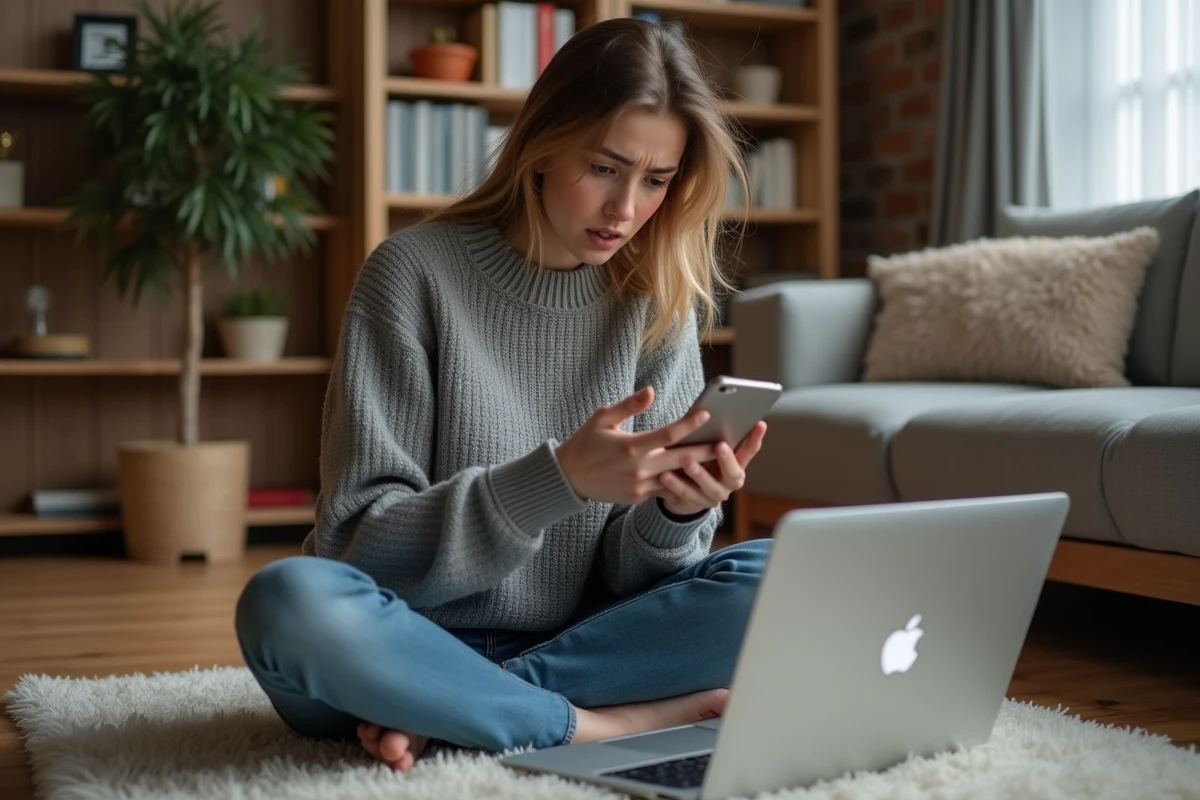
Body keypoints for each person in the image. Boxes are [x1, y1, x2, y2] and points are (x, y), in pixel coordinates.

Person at [235, 16, 772, 772]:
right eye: (606, 167)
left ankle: (465, 709)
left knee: (779, 579)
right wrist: (555, 482)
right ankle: (594, 728)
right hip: (402, 640)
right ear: (542, 146)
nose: (626, 208)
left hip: (581, 645)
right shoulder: (411, 275)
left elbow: (638, 583)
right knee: (287, 602)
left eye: (656, 180)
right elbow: (354, 546)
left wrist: (674, 512)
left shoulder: (657, 302)